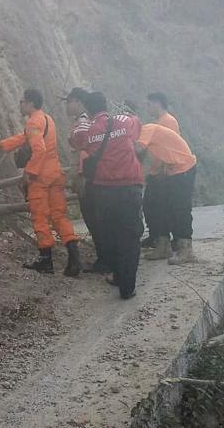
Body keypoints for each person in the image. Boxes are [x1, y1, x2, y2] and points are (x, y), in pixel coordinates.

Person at [0, 89, 82, 276]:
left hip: (41, 178)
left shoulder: (33, 121)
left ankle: (46, 261)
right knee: (59, 216)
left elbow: (39, 149)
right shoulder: (46, 119)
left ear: (30, 103)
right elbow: (24, 137)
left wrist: (29, 172)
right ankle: (74, 259)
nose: (20, 105)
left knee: (40, 218)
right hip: (55, 174)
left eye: (22, 102)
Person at [69, 92, 144, 299]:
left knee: (110, 235)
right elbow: (136, 122)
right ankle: (126, 287)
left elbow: (75, 140)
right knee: (129, 236)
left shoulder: (88, 129)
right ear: (106, 106)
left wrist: (83, 120)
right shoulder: (122, 122)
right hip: (129, 187)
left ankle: (118, 275)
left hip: (103, 192)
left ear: (88, 108)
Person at [135, 124, 198, 265]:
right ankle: (163, 246)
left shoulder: (146, 129)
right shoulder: (149, 133)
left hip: (183, 168)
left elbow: (138, 149)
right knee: (160, 207)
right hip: (171, 170)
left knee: (181, 209)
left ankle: (186, 250)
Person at [62, 88, 109, 274]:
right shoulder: (88, 120)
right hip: (91, 175)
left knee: (94, 219)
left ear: (78, 102)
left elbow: (82, 144)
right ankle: (106, 258)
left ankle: (105, 260)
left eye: (69, 102)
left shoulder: (83, 121)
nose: (67, 106)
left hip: (87, 176)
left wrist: (80, 175)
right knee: (97, 220)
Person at [141, 92, 180, 248]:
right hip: (156, 170)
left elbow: (170, 148)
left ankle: (163, 237)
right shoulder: (160, 122)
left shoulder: (168, 122)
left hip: (163, 171)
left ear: (157, 103)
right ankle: (156, 235)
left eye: (149, 104)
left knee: (159, 205)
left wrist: (163, 169)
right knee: (151, 205)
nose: (148, 107)